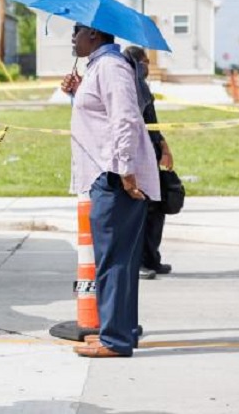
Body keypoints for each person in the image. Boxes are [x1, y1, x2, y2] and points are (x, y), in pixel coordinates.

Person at [60, 23, 160, 358]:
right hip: (108, 174)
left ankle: (115, 340)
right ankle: (121, 332)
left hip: (114, 176)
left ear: (95, 35)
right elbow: (100, 115)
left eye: (77, 31)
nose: (72, 37)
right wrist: (77, 93)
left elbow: (125, 120)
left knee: (114, 260)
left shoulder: (112, 67)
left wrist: (126, 172)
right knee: (120, 260)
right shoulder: (98, 68)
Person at [121, 46, 174, 280]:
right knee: (142, 211)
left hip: (152, 152)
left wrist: (163, 146)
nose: (148, 68)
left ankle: (152, 258)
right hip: (139, 156)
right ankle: (140, 261)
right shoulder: (129, 87)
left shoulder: (142, 87)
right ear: (137, 63)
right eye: (145, 63)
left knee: (156, 209)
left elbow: (152, 121)